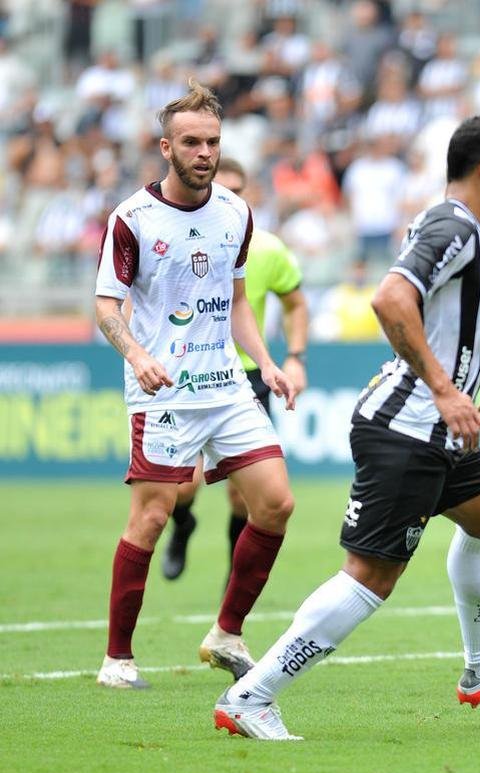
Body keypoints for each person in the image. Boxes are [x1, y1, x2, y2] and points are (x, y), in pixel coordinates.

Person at [213, 115, 480, 740]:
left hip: (437, 431)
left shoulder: (461, 232)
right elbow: (390, 298)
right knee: (371, 576)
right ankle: (252, 695)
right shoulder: (449, 224)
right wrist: (444, 390)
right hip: (410, 428)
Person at [94, 80, 298, 689]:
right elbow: (107, 306)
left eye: (212, 141)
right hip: (164, 393)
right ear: (166, 147)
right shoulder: (132, 218)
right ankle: (117, 659)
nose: (204, 152)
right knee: (152, 518)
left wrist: (266, 361)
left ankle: (226, 633)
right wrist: (135, 354)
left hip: (226, 385)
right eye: (191, 142)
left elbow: (237, 302)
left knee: (276, 504)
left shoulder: (237, 211)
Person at [162, 157, 309, 582]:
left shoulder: (266, 248)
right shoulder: (176, 241)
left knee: (242, 495)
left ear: (249, 196)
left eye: (237, 192)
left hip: (245, 377)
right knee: (181, 487)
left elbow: (295, 303)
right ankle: (183, 525)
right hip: (189, 375)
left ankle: (233, 575)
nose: (227, 201)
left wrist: (295, 356)